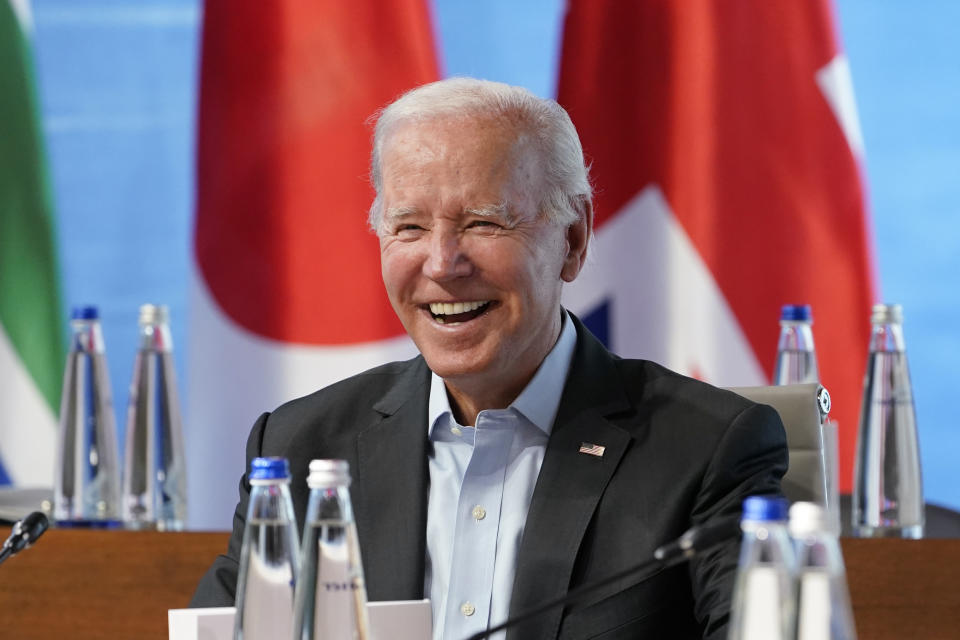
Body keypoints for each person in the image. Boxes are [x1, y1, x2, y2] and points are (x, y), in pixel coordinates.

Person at [191, 77, 787, 640]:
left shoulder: (705, 449)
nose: (442, 263)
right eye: (409, 227)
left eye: (483, 223)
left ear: (573, 240)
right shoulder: (302, 446)